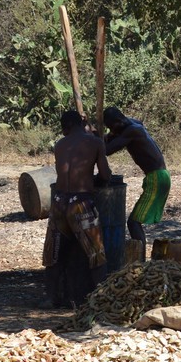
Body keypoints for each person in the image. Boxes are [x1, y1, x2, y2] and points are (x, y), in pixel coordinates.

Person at [43, 110, 113, 306]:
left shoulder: (60, 145)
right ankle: (102, 297)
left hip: (58, 201)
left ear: (67, 127)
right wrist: (94, 181)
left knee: (53, 253)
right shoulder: (95, 143)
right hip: (81, 204)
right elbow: (106, 175)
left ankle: (50, 297)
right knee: (96, 253)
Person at [103, 106, 169, 261]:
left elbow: (106, 150)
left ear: (118, 122)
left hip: (157, 179)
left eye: (112, 127)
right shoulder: (133, 123)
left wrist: (94, 140)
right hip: (157, 177)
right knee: (134, 222)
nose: (111, 131)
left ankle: (140, 263)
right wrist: (105, 134)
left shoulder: (132, 131)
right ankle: (141, 261)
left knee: (133, 223)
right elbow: (111, 136)